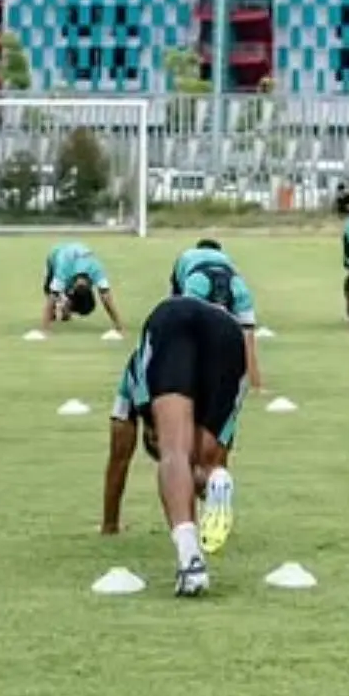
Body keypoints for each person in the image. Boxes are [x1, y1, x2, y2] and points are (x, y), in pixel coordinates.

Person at [101, 296, 250, 596]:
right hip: (228, 331)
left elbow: (119, 458)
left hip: (171, 321)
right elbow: (219, 452)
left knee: (176, 453)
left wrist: (110, 523)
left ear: (149, 431)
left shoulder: (133, 385)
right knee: (207, 466)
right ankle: (213, 483)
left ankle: (190, 560)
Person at [170, 239, 265, 392]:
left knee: (185, 332)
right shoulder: (231, 268)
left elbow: (175, 303)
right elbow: (248, 340)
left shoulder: (186, 256)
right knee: (246, 337)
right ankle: (255, 384)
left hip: (197, 280)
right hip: (232, 285)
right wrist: (257, 385)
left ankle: (182, 377)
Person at [35, 241, 126, 338]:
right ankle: (62, 308)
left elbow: (106, 298)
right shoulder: (63, 270)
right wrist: (45, 329)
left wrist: (119, 326)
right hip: (56, 253)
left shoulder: (96, 269)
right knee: (49, 289)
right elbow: (51, 297)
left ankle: (64, 308)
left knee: (56, 292)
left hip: (74, 255)